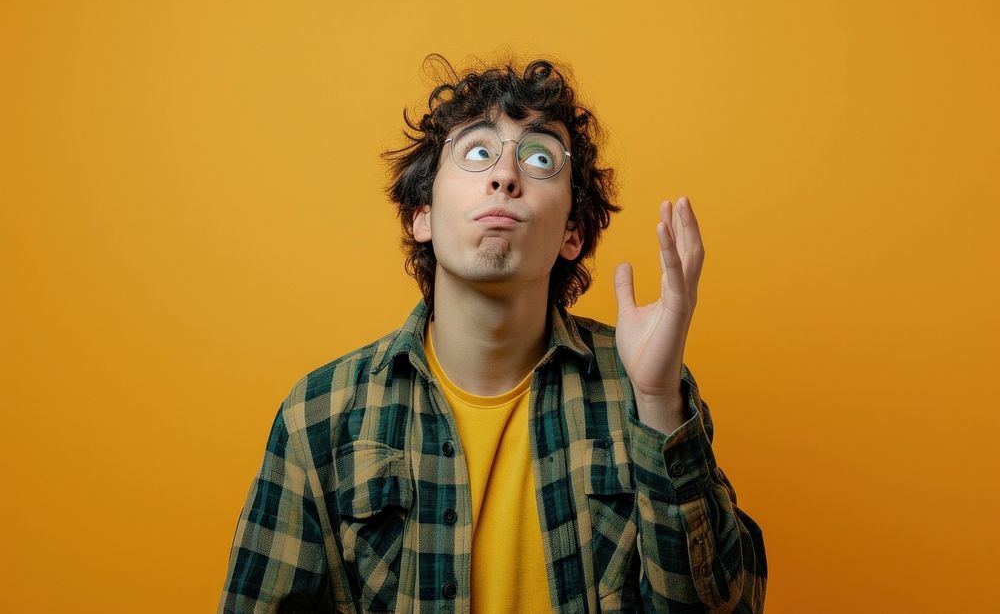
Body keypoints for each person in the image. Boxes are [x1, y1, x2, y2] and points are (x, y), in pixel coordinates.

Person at [218, 56, 767, 613]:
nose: (506, 175)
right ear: (422, 216)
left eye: (539, 157)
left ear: (571, 234)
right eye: (479, 153)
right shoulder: (320, 415)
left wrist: (657, 402)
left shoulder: (648, 394)